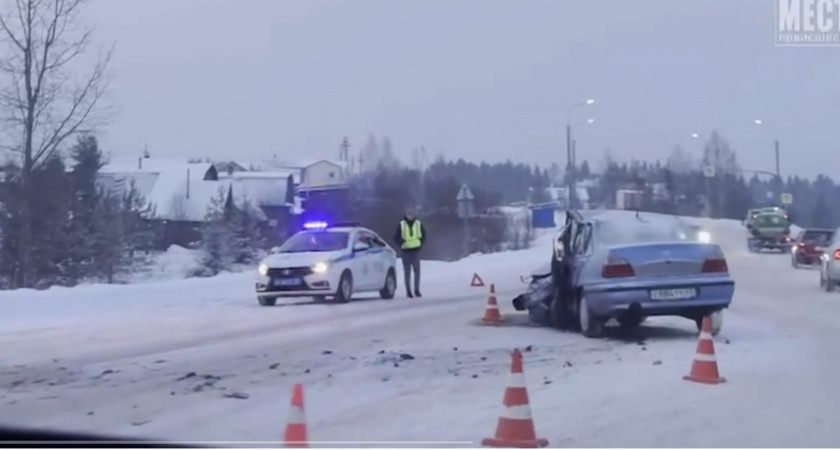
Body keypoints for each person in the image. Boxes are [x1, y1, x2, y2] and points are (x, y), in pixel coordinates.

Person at [394, 205, 426, 298]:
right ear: (406, 215)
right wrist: (401, 243)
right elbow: (396, 237)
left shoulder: (418, 224)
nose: (411, 216)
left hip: (416, 250)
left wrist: (420, 243)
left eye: (412, 214)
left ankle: (417, 290)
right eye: (409, 214)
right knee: (407, 272)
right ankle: (408, 291)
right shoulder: (402, 224)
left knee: (417, 271)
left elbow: (423, 235)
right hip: (406, 251)